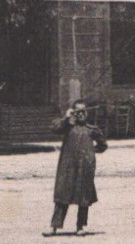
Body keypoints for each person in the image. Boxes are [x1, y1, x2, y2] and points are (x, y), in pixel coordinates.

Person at [46, 100, 107, 236]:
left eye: (84, 111)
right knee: (62, 196)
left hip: (85, 168)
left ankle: (80, 226)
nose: (81, 114)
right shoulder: (68, 127)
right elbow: (55, 128)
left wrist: (91, 152)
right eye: (78, 111)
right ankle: (54, 227)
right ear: (73, 112)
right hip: (67, 167)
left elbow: (103, 145)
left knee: (83, 197)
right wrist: (66, 117)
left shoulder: (91, 130)